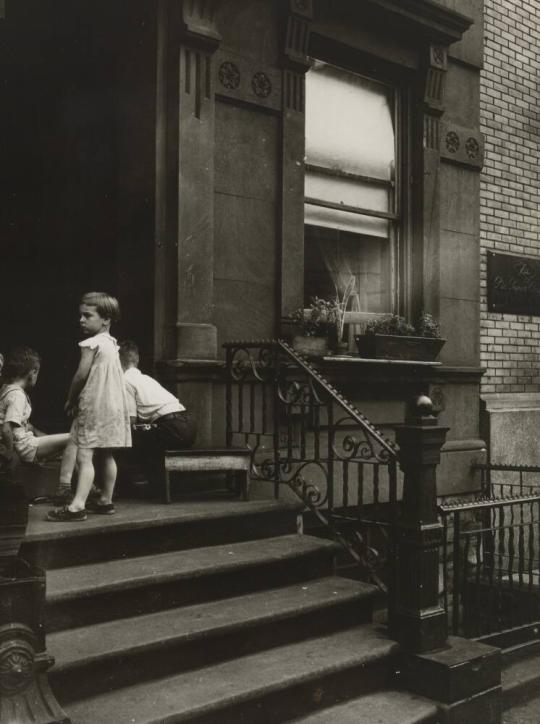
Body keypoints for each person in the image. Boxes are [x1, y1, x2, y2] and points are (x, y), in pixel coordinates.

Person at [47, 292, 131, 522]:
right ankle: (106, 499)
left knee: (84, 455)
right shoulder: (112, 344)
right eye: (80, 315)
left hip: (95, 405)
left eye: (87, 315)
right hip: (113, 406)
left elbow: (81, 376)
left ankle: (77, 506)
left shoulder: (91, 343)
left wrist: (71, 399)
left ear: (106, 320)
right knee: (106, 454)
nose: (81, 320)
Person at [118, 340, 196, 487]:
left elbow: (131, 421)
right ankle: (150, 482)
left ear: (118, 361)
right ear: (137, 360)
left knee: (124, 440)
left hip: (173, 428)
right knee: (144, 440)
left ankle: (133, 484)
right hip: (189, 424)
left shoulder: (125, 381)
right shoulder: (147, 379)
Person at [0, 347, 77, 483]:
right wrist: (10, 455)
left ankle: (86, 487)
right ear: (33, 372)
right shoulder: (17, 394)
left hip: (24, 443)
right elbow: (6, 428)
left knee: (66, 443)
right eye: (37, 373)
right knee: (75, 438)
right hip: (25, 446)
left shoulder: (6, 389)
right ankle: (66, 487)